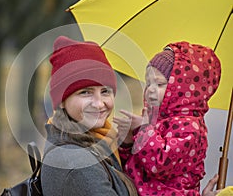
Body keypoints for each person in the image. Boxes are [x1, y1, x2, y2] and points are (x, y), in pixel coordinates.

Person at [113, 41, 222, 195]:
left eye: (159, 84)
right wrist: (127, 141)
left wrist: (142, 129)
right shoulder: (153, 119)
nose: (150, 89)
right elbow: (134, 163)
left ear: (181, 89)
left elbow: (159, 164)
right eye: (148, 82)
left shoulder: (190, 128)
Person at [41, 35, 138, 196]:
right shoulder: (76, 163)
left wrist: (129, 147)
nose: (99, 104)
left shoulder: (101, 140)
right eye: (85, 92)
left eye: (105, 91)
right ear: (62, 101)